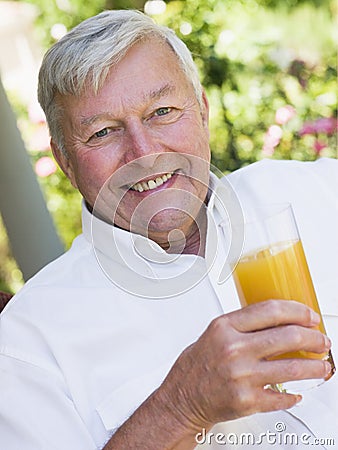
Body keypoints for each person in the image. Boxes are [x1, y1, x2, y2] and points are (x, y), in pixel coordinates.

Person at [0, 9, 337, 450]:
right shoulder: (27, 342)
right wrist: (180, 408)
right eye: (103, 132)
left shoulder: (318, 191)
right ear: (65, 160)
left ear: (201, 110)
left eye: (162, 111)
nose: (143, 152)